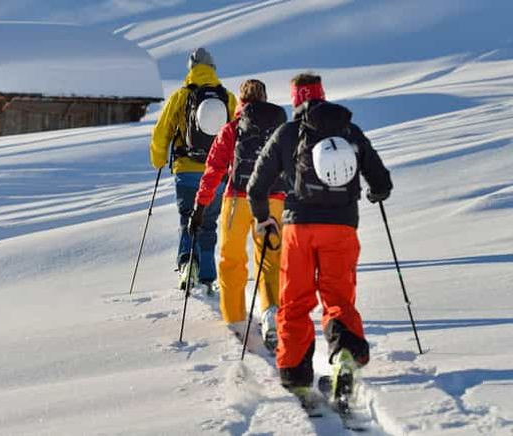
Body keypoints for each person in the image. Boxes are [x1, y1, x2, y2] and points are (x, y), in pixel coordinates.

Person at [246, 73, 392, 401]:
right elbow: (380, 180)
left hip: (298, 227)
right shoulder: (349, 130)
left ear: (296, 99)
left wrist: (263, 218)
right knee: (338, 297)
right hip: (342, 226)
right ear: (322, 94)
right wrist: (376, 193)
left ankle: (296, 373)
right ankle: (344, 356)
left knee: (295, 300)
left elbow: (256, 184)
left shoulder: (287, 133)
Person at [187, 79, 287, 351]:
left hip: (238, 199)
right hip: (273, 199)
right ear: (265, 98)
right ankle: (270, 315)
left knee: (231, 259)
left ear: (240, 101)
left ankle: (235, 318)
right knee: (269, 259)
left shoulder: (232, 128)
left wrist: (200, 207)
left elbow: (213, 169)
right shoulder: (279, 129)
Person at [150, 48, 237, 292]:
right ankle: (208, 275)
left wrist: (158, 160)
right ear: (213, 67)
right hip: (217, 173)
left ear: (191, 68)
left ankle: (188, 264)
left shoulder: (181, 96)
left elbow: (161, 132)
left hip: (186, 170)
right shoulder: (228, 98)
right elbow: (238, 131)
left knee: (188, 218)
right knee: (208, 223)